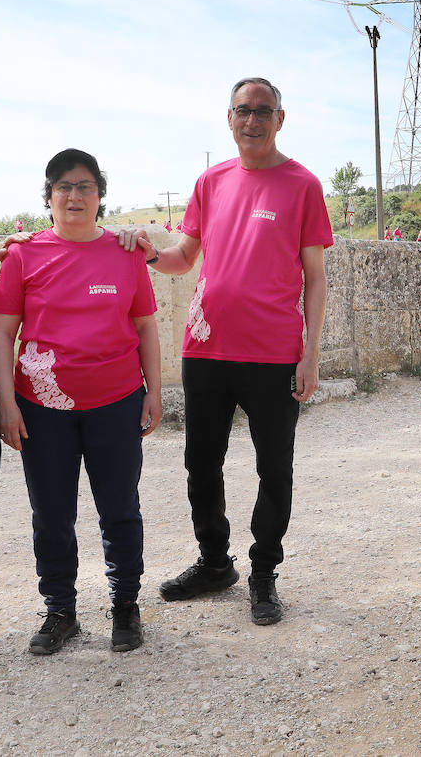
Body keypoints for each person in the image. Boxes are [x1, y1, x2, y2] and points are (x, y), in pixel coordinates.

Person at [120, 77, 333, 626]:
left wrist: (310, 355)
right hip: (207, 348)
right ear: (229, 118)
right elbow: (184, 256)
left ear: (280, 119)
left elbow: (315, 278)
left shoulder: (303, 185)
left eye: (263, 111)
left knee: (274, 468)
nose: (252, 120)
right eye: (243, 110)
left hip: (273, 354)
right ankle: (215, 564)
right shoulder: (210, 182)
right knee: (200, 463)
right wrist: (147, 253)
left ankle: (264, 573)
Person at [0, 149, 162, 654]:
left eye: (85, 186)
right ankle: (60, 611)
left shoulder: (127, 252)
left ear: (100, 196)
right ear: (48, 198)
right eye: (63, 186)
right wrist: (6, 402)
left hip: (116, 401)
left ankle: (126, 606)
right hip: (41, 407)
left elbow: (146, 326)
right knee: (51, 512)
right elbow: (2, 336)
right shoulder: (22, 256)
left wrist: (153, 391)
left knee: (120, 508)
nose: (74, 195)